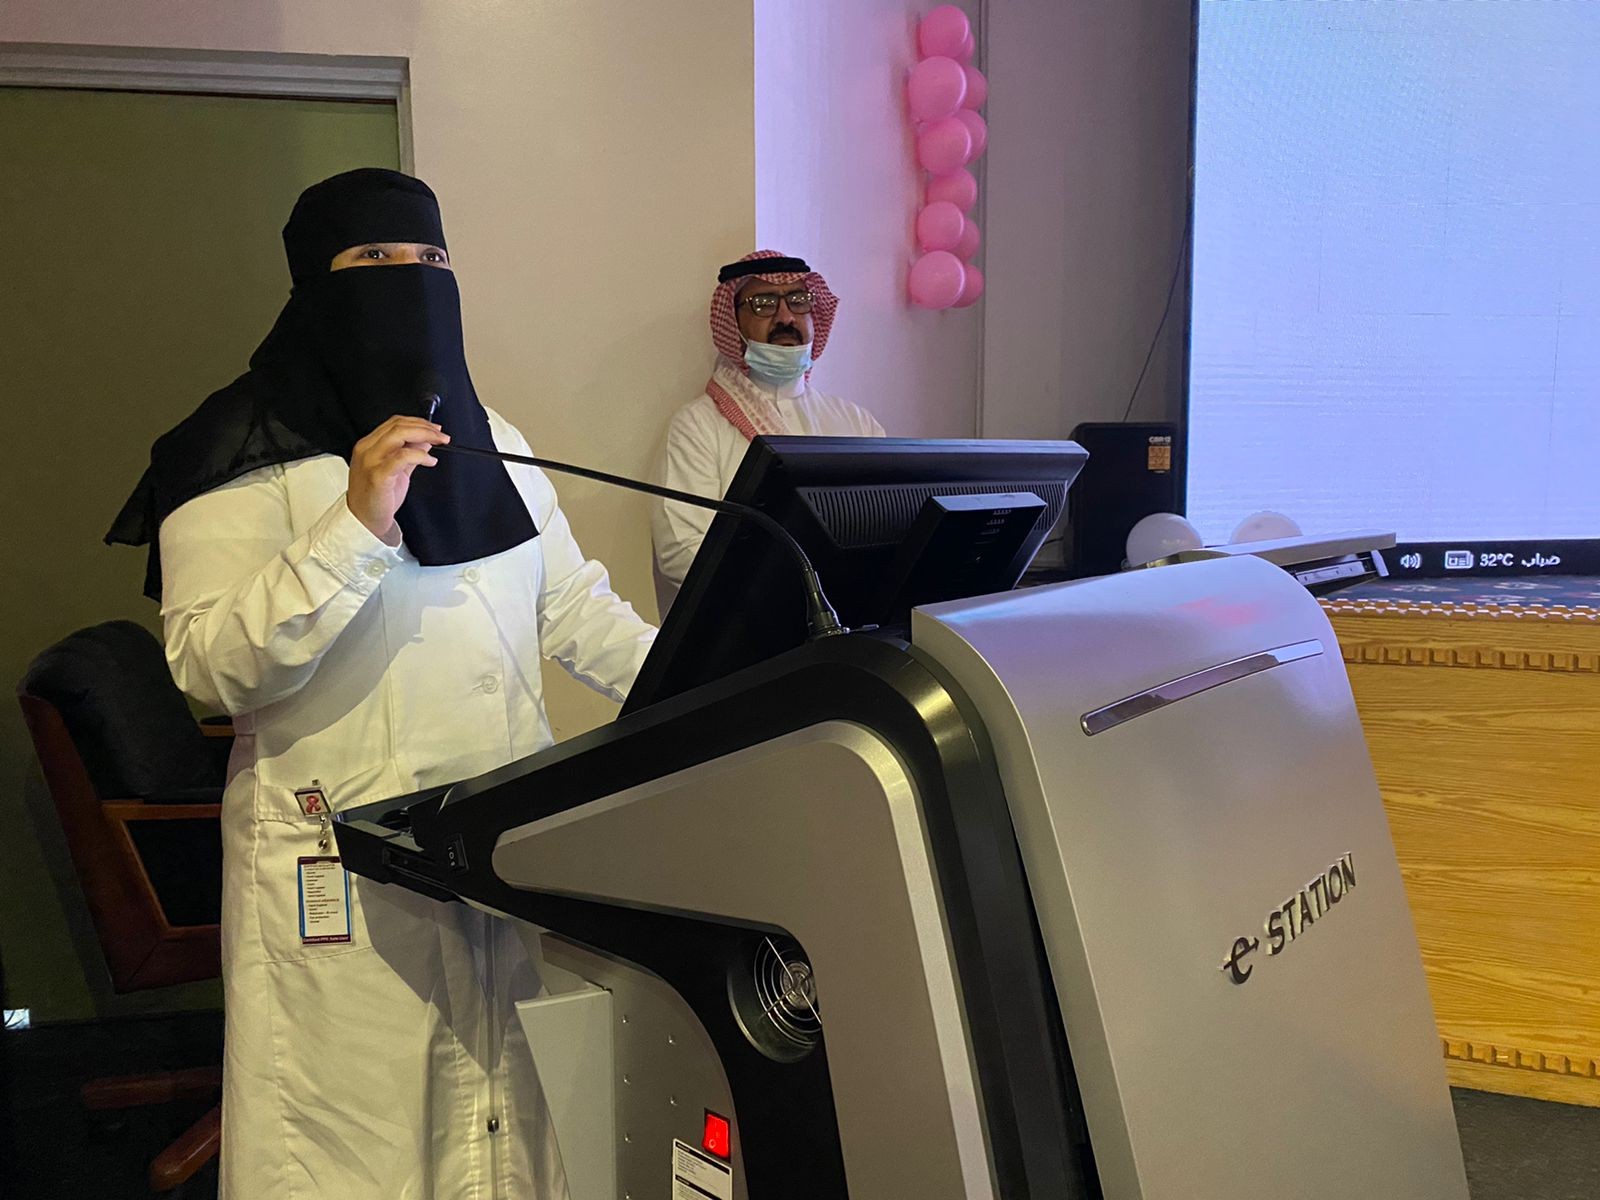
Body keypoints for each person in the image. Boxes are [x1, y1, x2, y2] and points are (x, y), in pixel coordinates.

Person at [106, 168, 655, 1199]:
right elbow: (211, 668)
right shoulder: (232, 450)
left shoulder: (492, 439)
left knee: (503, 1123)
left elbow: (576, 609)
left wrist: (719, 677)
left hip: (499, 844)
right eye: (375, 259)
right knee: (359, 1146)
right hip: (342, 867)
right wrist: (356, 525)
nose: (409, 279)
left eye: (430, 258)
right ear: (314, 284)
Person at [649, 250, 885, 612]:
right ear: (734, 322)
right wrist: (795, 585)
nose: (785, 317)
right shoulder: (697, 426)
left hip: (853, 618)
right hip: (747, 624)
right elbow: (682, 551)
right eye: (764, 304)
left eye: (798, 300)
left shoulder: (856, 423)